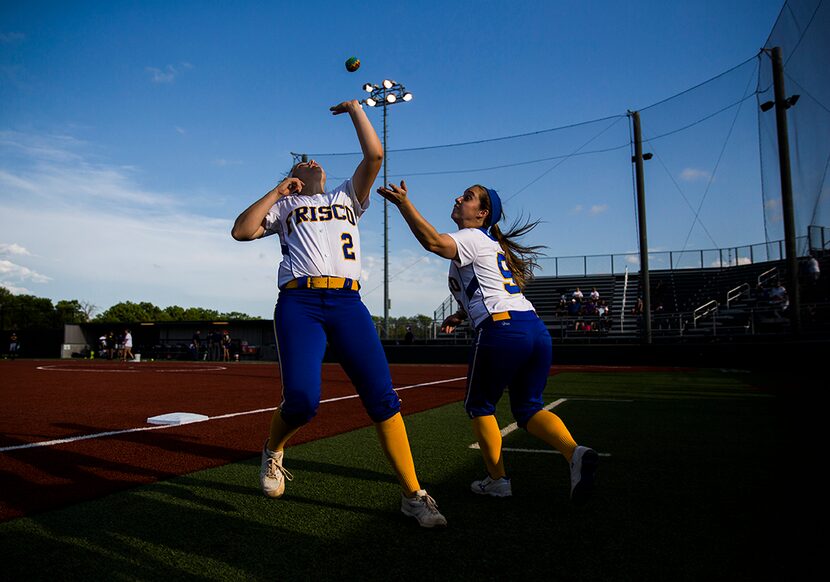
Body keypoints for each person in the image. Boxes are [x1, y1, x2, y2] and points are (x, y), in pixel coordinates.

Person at [231, 99, 445, 528]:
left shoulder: (347, 195)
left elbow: (375, 155)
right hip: (300, 303)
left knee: (383, 399)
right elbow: (241, 230)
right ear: (294, 178)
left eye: (318, 163)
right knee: (303, 400)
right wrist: (279, 191)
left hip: (348, 303)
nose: (314, 162)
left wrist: (354, 110)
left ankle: (413, 494)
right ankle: (274, 451)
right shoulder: (285, 206)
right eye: (305, 164)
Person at [377, 180, 598, 504]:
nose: (457, 198)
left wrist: (404, 205)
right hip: (534, 329)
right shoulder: (490, 244)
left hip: (503, 330)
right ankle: (574, 452)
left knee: (479, 406)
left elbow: (433, 242)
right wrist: (461, 316)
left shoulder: (472, 237)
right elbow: (488, 289)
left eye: (467, 198)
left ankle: (498, 481)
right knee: (528, 409)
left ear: (482, 214)